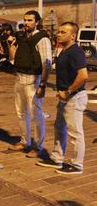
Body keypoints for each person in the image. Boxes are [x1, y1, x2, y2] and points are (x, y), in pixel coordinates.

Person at [36, 22, 88, 174]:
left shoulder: (75, 51)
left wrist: (69, 91)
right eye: (58, 31)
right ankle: (57, 159)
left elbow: (83, 75)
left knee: (75, 132)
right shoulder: (64, 50)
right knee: (60, 128)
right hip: (65, 97)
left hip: (74, 97)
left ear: (73, 35)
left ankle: (77, 165)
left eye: (63, 32)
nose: (58, 34)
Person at [9, 10, 52, 158]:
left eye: (30, 20)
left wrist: (42, 85)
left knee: (36, 115)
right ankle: (24, 141)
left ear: (37, 22)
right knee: (21, 114)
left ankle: (38, 146)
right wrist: (11, 47)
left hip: (33, 81)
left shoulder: (42, 39)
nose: (26, 23)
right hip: (19, 79)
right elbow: (13, 59)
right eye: (25, 20)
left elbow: (47, 64)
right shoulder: (22, 38)